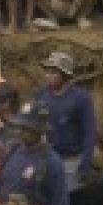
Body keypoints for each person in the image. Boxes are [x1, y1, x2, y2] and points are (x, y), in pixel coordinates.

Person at [0, 102, 70, 205]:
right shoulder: (12, 150)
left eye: (25, 129)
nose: (19, 132)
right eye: (18, 127)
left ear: (39, 130)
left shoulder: (51, 162)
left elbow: (60, 204)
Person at [34, 51, 96, 190]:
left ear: (65, 75)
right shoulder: (41, 95)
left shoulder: (80, 98)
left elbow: (90, 131)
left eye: (53, 72)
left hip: (71, 161)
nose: (48, 76)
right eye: (47, 71)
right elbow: (36, 125)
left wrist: (86, 162)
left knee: (70, 199)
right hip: (47, 158)